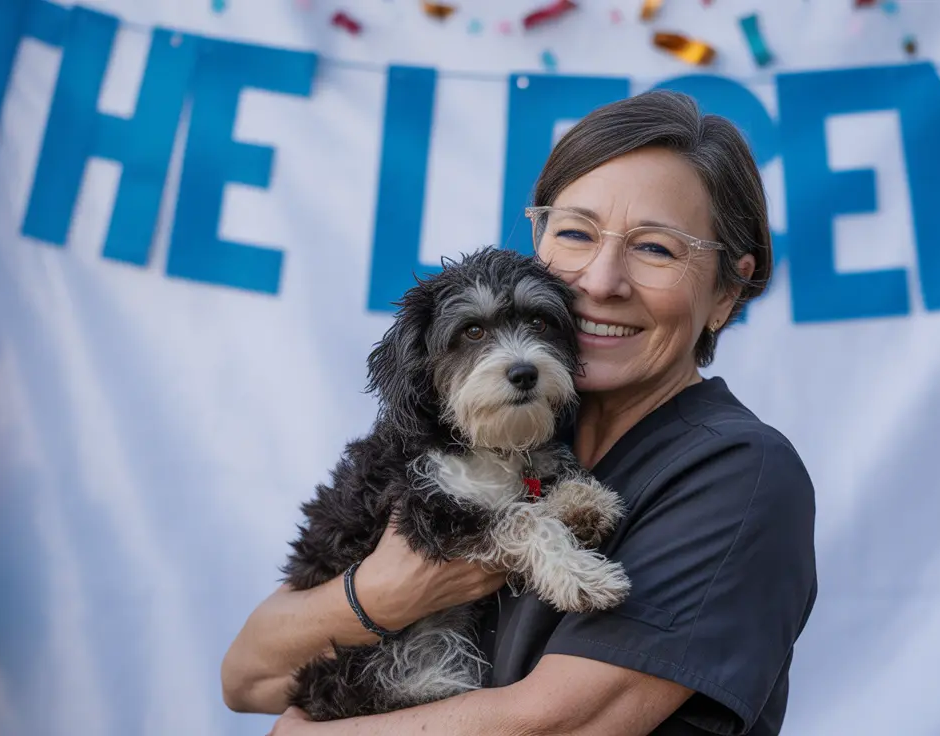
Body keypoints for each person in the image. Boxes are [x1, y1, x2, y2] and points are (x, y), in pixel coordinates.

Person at [222, 89, 818, 736]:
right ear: (537, 242)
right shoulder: (486, 423)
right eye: (575, 234)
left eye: (655, 248)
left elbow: (559, 726)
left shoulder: (739, 475)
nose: (599, 280)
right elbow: (248, 676)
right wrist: (386, 591)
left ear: (728, 291)